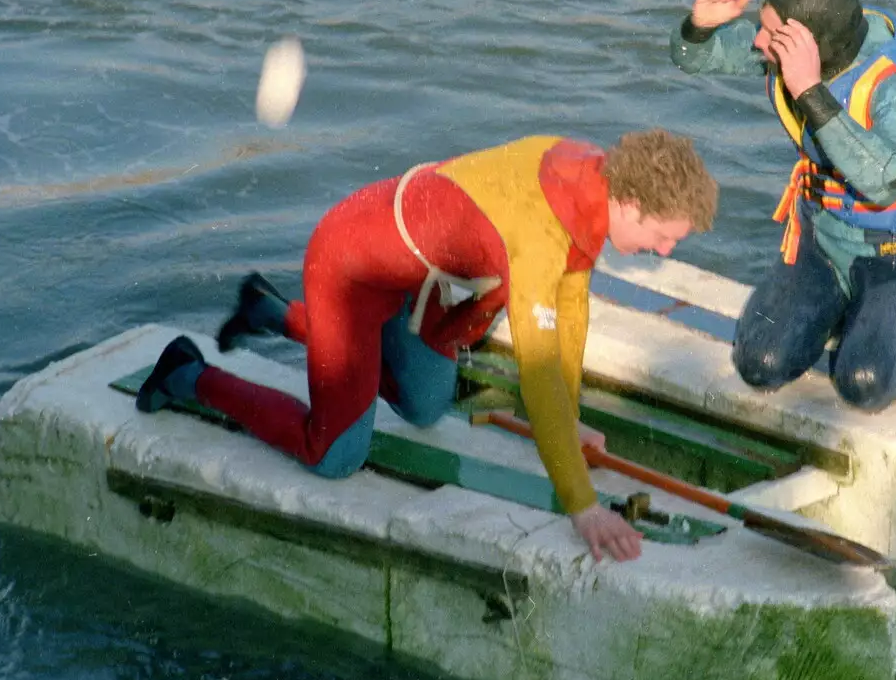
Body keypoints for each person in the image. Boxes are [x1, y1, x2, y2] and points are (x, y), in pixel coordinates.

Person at [136, 130, 718, 563]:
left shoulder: (594, 178)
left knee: (424, 406)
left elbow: (569, 315)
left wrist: (567, 423)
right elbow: (539, 369)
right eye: (664, 236)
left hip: (415, 284)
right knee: (336, 455)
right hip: (350, 267)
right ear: (631, 204)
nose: (665, 251)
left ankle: (274, 312)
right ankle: (187, 374)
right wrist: (581, 504)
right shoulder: (541, 231)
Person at [668, 0, 896, 412]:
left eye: (772, 36)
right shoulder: (783, 48)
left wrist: (810, 90)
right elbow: (694, 57)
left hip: (894, 249)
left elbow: (884, 183)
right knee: (759, 363)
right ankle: (833, 305)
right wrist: (699, 26)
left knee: (865, 383)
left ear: (812, 46)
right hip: (822, 239)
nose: (760, 42)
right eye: (764, 29)